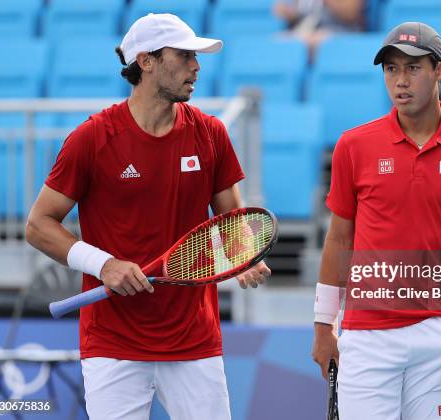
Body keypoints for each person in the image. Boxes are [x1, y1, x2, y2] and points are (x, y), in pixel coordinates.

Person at [25, 13, 271, 420]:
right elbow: (38, 226)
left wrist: (245, 254)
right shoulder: (92, 139)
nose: (197, 66)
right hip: (112, 343)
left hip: (194, 339)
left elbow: (233, 223)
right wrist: (103, 265)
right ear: (146, 61)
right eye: (185, 55)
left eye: (196, 56)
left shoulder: (211, 134)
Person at [312, 22, 441, 419]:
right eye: (391, 69)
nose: (400, 81)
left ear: (440, 71)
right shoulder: (353, 146)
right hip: (367, 336)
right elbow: (339, 239)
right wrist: (324, 326)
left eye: (413, 68)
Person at [273, 0, 365, 58]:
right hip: (309, 31)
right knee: (278, 40)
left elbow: (350, 13)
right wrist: (289, 13)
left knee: (314, 40)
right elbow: (303, 15)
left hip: (342, 31)